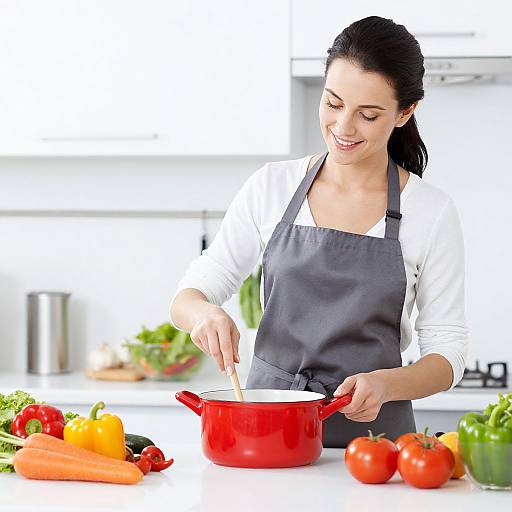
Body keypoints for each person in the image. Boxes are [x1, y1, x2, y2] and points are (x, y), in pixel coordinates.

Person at [170, 16, 469, 447]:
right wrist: (204, 314)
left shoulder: (431, 211)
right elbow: (191, 294)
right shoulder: (272, 185)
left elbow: (449, 352)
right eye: (332, 103)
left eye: (368, 115)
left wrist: (386, 385)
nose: (343, 128)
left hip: (373, 446)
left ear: (405, 112)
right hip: (268, 430)